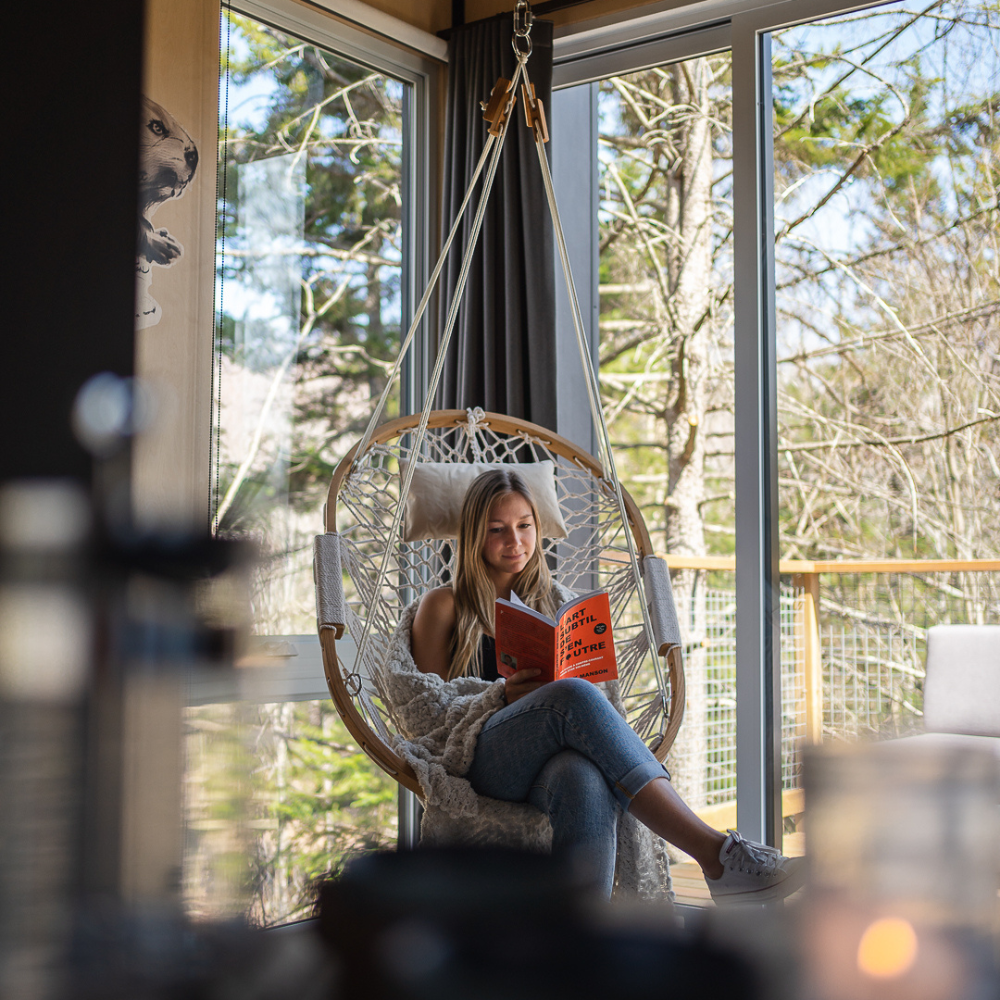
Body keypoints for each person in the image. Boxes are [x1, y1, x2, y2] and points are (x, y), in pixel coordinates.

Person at [394, 468, 804, 903]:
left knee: (583, 777)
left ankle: (584, 948)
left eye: (524, 526)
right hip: (479, 762)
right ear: (474, 535)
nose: (514, 542)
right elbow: (428, 717)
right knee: (569, 697)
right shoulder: (443, 605)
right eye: (497, 530)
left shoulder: (559, 603)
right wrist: (499, 698)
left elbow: (601, 692)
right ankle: (715, 855)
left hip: (548, 759)